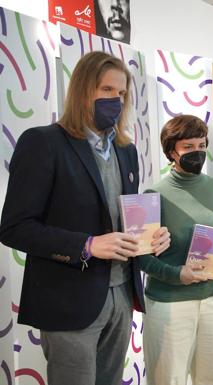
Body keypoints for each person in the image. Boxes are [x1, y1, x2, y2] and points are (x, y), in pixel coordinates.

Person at [0, 51, 170, 385]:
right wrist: (87, 245)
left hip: (121, 296)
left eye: (121, 94)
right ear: (82, 91)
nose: (116, 100)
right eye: (107, 90)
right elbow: (15, 228)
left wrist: (151, 239)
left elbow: (122, 219)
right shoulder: (43, 143)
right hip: (68, 299)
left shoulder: (126, 150)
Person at [139, 114, 213, 385]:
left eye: (201, 145)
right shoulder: (153, 194)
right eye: (188, 147)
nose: (196, 153)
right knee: (168, 378)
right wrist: (177, 274)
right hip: (170, 302)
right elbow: (140, 257)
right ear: (171, 151)